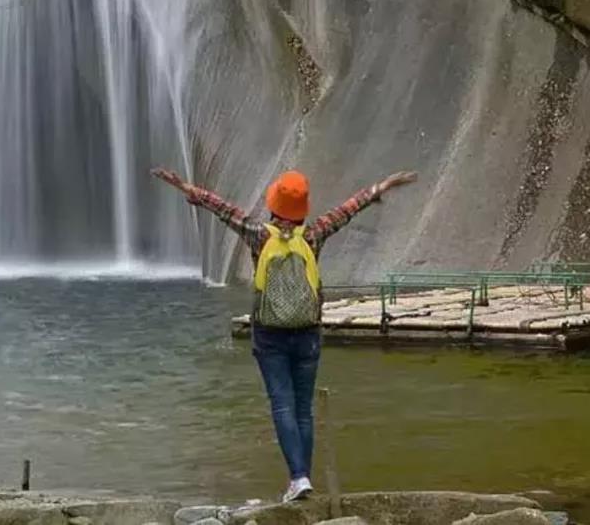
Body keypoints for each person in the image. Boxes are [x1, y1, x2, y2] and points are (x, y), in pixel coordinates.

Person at [152, 166, 417, 503]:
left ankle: (298, 478)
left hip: (270, 335)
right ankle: (303, 479)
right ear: (303, 208)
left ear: (274, 205)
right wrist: (381, 186)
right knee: (303, 409)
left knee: (282, 405)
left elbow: (222, 208)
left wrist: (186, 188)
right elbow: (347, 210)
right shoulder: (314, 235)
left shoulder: (257, 235)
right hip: (307, 333)